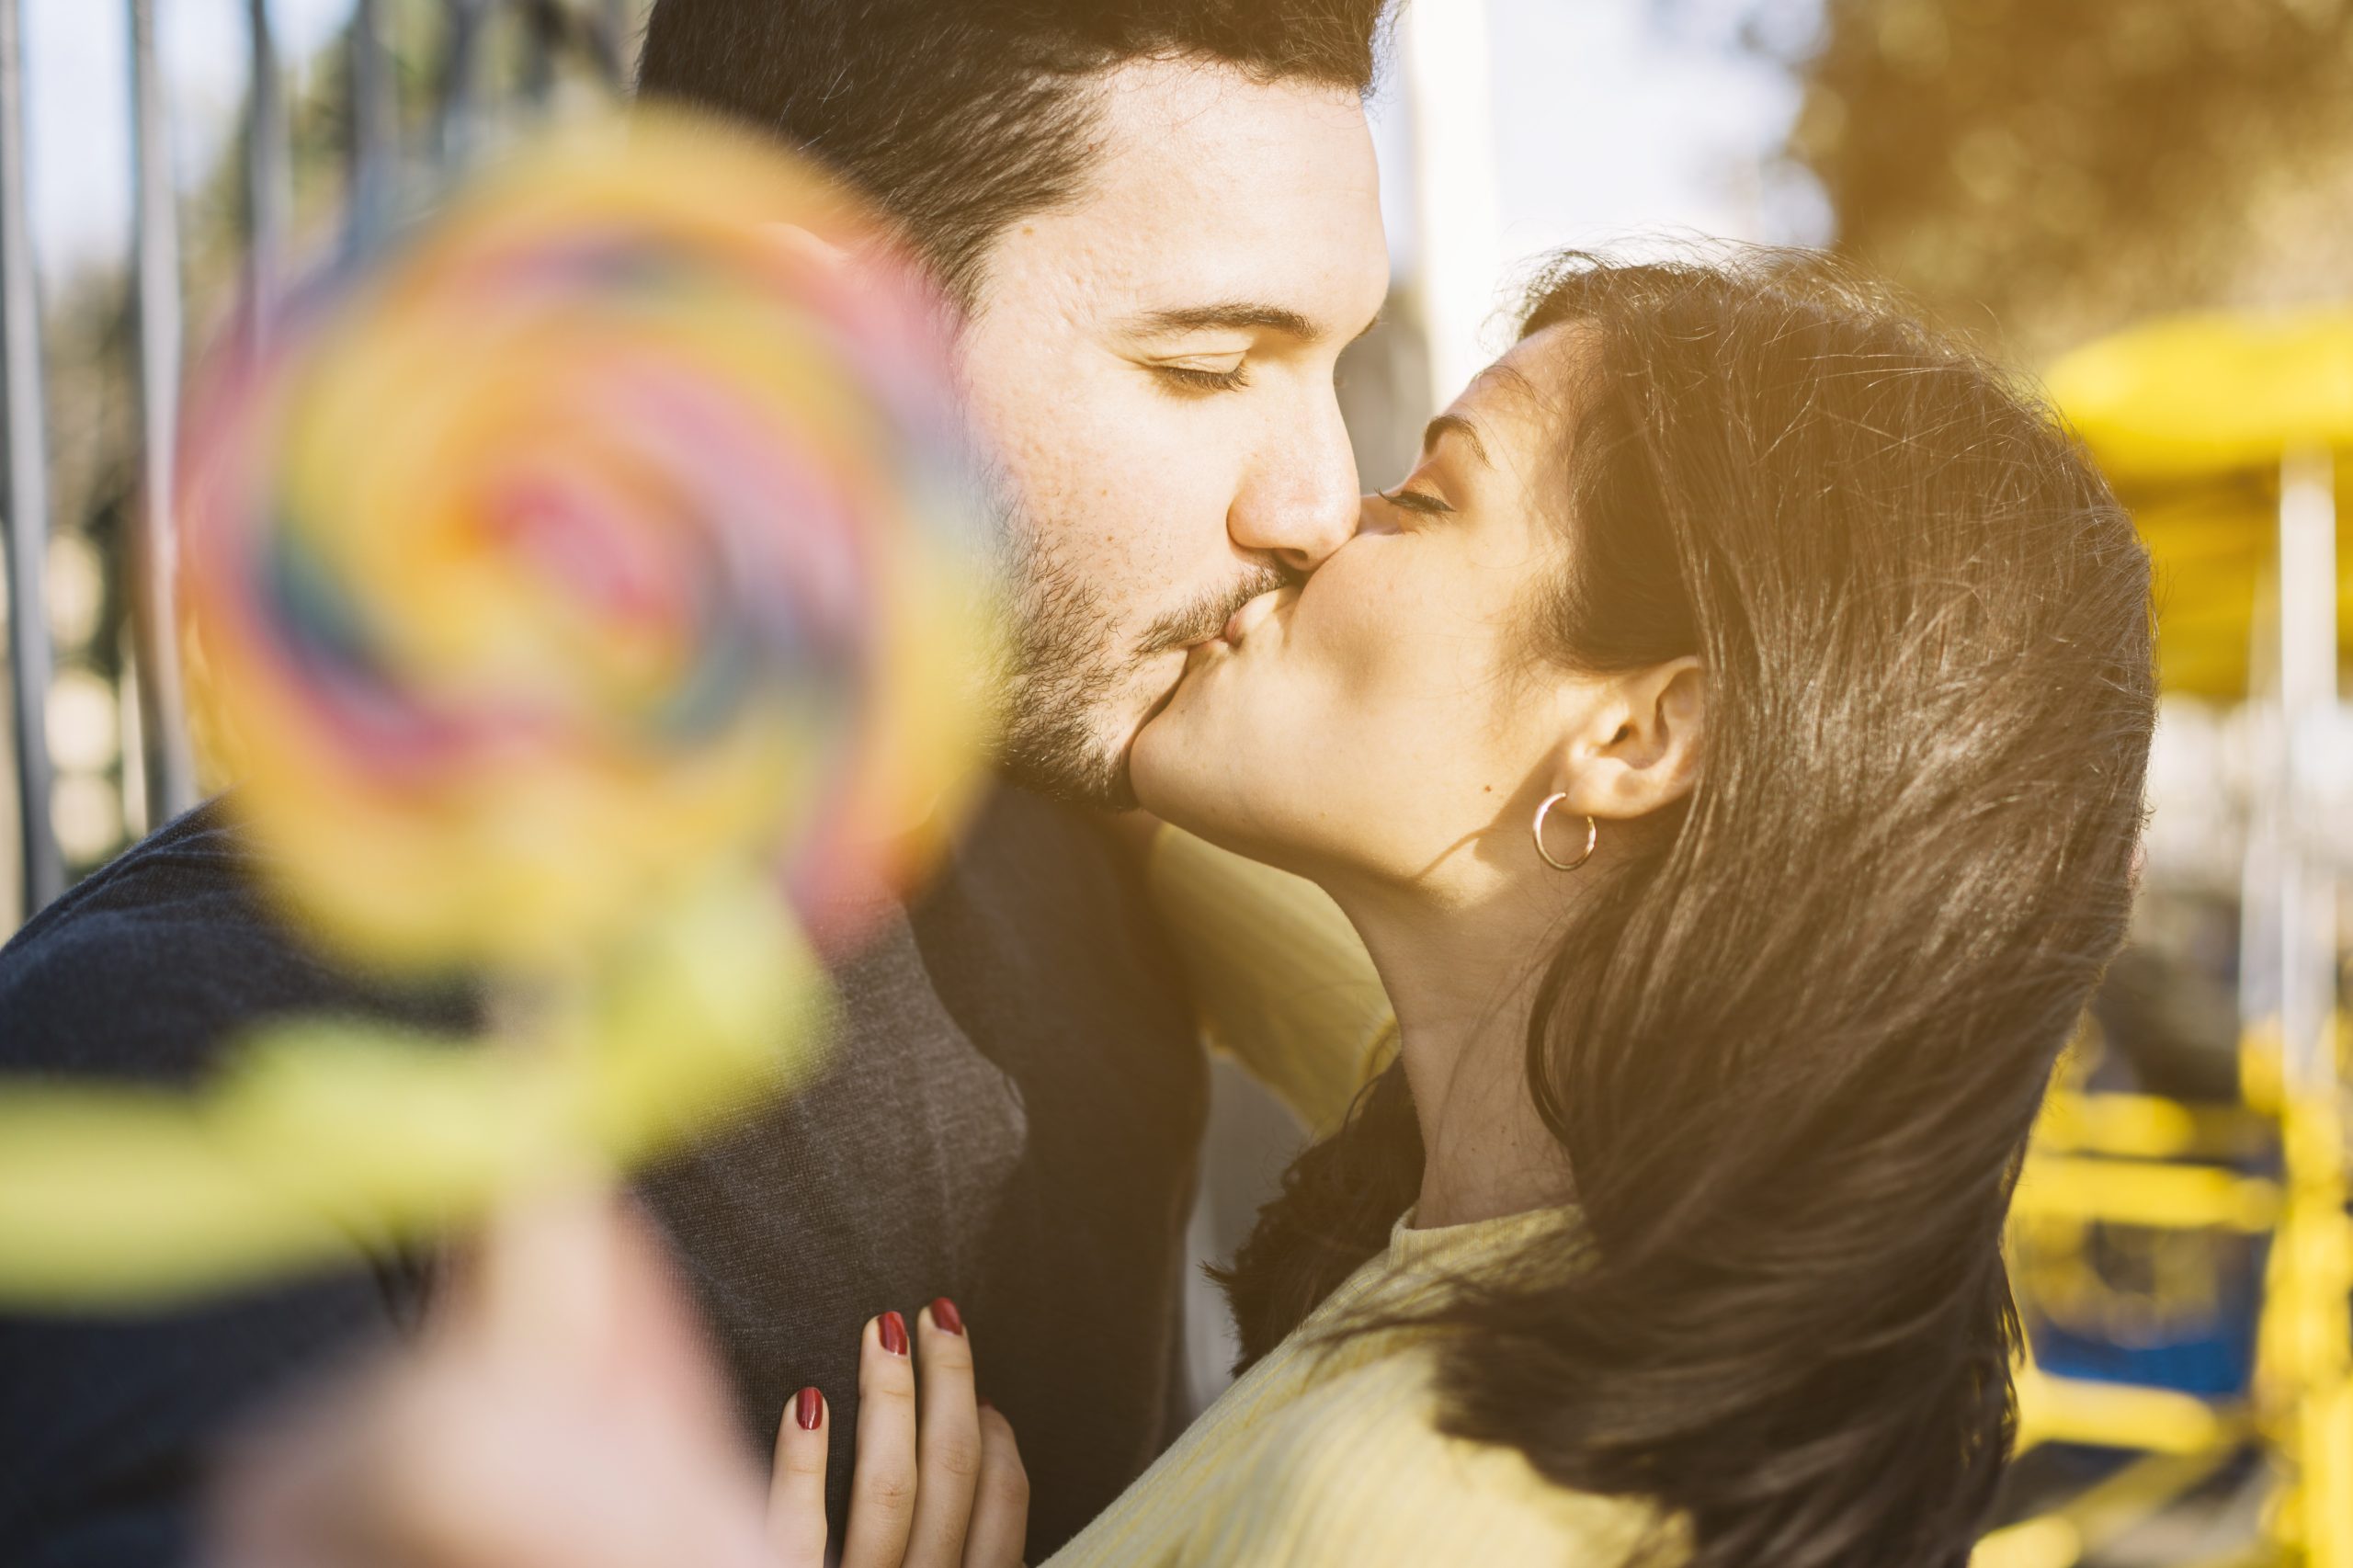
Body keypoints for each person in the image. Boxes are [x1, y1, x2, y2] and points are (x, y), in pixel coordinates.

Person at [224, 248, 2155, 1568]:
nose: (1314, 511)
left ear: (1641, 733)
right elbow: (1137, 765)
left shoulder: (1423, 1512)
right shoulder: (1563, 1148)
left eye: (1422, 497)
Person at [0, 3, 1392, 1562]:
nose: (1321, 500)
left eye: (1334, 362)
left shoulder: (1108, 861)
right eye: (1208, 365)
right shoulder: (164, 1054)